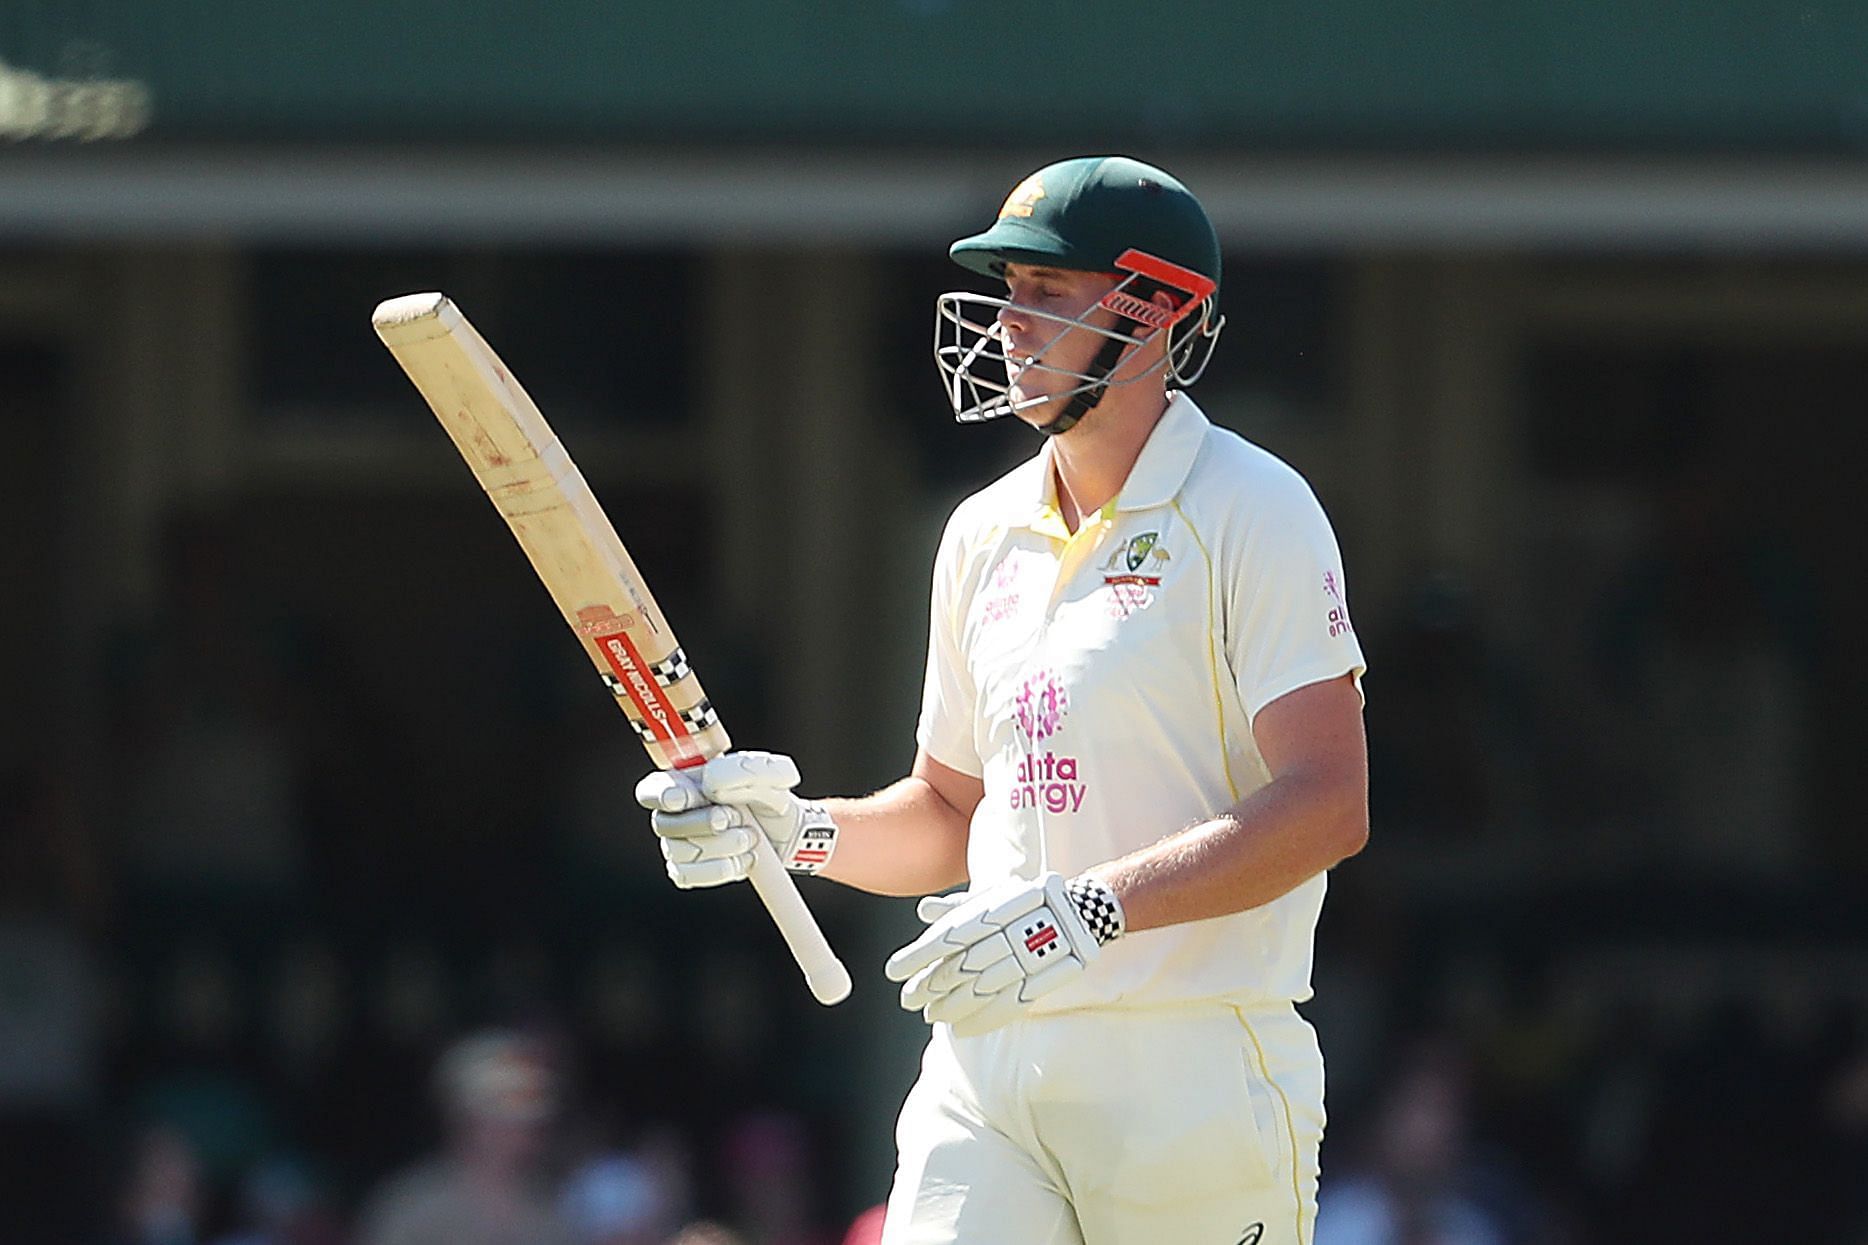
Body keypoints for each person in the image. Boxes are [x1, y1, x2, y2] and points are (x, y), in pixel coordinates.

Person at [636, 155, 1369, 1244]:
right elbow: (947, 820)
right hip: (986, 1061)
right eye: (1006, 291)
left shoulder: (1253, 508)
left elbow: (1326, 806)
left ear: (1155, 311)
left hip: (1191, 1060)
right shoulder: (979, 532)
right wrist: (792, 831)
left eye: (1044, 292)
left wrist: (1090, 909)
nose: (1008, 322)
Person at [355, 1030, 578, 1245]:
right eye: (508, 1117)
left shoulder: (554, 1208)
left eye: (533, 1119)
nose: (527, 1129)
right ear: (468, 1121)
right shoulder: (411, 1208)